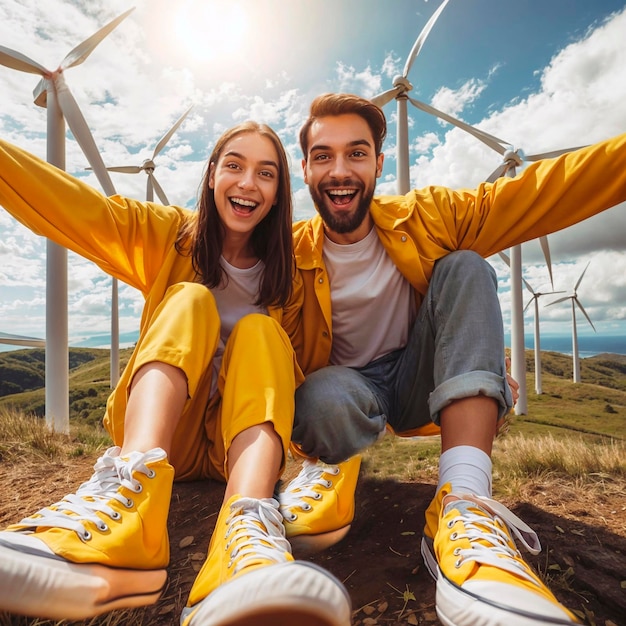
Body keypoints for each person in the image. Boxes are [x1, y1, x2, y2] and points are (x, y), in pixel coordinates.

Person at [276, 92, 626, 626]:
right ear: (304, 168)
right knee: (321, 399)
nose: (340, 170)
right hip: (348, 390)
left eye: (357, 153)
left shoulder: (427, 215)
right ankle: (330, 467)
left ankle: (463, 502)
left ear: (379, 162)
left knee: (465, 265)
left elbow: (540, 191)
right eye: (323, 156)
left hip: (422, 376)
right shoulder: (285, 251)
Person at [0, 122, 351, 625]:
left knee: (261, 332)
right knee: (190, 298)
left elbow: (319, 366)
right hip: (169, 437)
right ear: (211, 175)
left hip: (241, 450)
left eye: (265, 173)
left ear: (278, 194)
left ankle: (245, 530)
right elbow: (77, 207)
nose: (248, 182)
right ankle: (129, 491)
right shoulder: (169, 236)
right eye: (234, 165)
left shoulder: (294, 272)